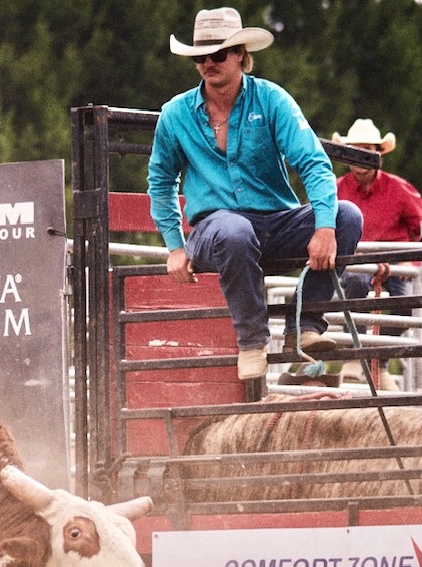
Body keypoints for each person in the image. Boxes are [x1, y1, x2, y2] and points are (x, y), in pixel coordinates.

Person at [147, 7, 363, 380]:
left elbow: (313, 162)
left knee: (347, 216)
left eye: (218, 54)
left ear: (241, 56)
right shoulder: (175, 114)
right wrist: (175, 246)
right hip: (214, 231)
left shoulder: (272, 100)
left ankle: (306, 326)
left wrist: (324, 226)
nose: (208, 63)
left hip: (275, 224)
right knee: (233, 230)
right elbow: (160, 180)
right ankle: (252, 341)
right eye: (200, 56)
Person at [332, 118, 422, 390]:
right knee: (352, 281)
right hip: (355, 257)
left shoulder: (398, 189)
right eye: (355, 152)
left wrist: (414, 262)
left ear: (378, 156)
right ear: (346, 157)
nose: (361, 159)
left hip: (394, 259)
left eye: (367, 151)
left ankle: (379, 360)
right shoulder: (336, 188)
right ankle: (355, 354)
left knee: (406, 304)